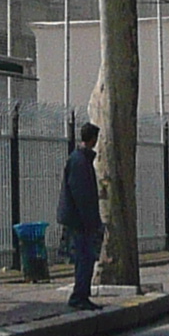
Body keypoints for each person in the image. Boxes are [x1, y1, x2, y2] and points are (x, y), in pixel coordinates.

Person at [59, 123, 106, 311]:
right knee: (84, 259)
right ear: (93, 139)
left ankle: (82, 295)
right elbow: (82, 195)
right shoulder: (80, 161)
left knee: (85, 259)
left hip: (80, 220)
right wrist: (91, 222)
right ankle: (79, 296)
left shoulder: (80, 159)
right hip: (80, 222)